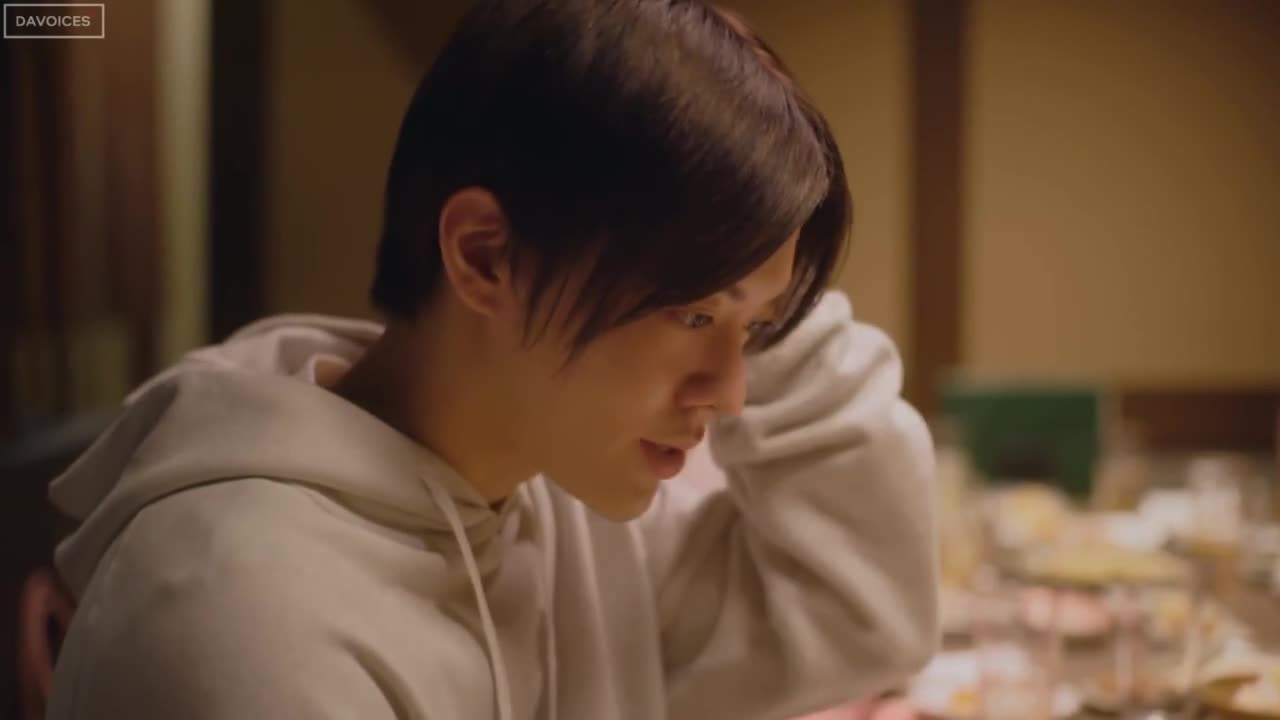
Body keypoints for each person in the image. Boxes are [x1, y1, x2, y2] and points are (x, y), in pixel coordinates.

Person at [45, 1, 938, 718]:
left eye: (756, 331)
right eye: (694, 312)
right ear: (485, 257)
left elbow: (858, 618)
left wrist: (739, 220)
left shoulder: (547, 503)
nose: (732, 392)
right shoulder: (237, 620)